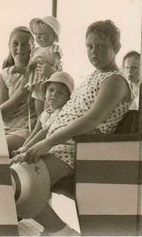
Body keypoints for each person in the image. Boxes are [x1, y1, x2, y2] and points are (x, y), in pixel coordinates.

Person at [10, 20, 132, 236]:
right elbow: (59, 118)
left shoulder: (115, 80)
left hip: (79, 148)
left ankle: (59, 231)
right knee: (7, 174)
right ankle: (57, 230)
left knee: (17, 182)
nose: (94, 52)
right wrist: (30, 145)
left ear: (117, 48)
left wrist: (47, 142)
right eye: (90, 46)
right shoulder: (93, 76)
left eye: (102, 46)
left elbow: (92, 120)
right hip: (59, 142)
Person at [10, 71, 74, 162]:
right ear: (45, 92)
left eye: (60, 93)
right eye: (51, 90)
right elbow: (34, 132)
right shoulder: (45, 113)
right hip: (39, 145)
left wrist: (26, 148)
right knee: (16, 159)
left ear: (68, 98)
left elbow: (44, 132)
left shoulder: (62, 113)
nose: (54, 94)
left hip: (51, 146)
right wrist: (22, 148)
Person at [0, 26, 38, 154]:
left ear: (33, 47)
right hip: (3, 129)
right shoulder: (3, 76)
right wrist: (21, 92)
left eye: (25, 44)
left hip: (26, 130)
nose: (20, 48)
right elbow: (1, 115)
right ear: (9, 46)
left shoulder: (38, 73)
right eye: (15, 44)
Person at [27, 16, 63, 115]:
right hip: (37, 86)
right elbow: (30, 67)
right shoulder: (35, 51)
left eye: (42, 34)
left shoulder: (54, 48)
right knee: (39, 112)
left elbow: (53, 61)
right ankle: (39, 127)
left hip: (49, 86)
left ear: (53, 35)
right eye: (36, 34)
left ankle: (47, 127)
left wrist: (39, 59)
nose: (37, 37)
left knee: (48, 112)